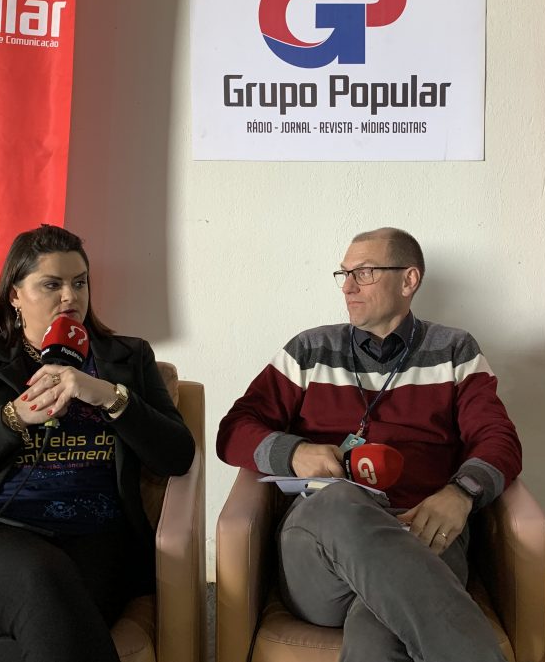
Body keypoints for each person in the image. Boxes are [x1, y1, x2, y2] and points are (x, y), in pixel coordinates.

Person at [217, 227, 522, 662]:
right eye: (343, 274)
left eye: (363, 273)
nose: (347, 287)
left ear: (409, 280)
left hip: (423, 533)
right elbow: (234, 430)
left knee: (378, 629)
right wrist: (295, 452)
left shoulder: (455, 350)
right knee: (340, 500)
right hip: (320, 547)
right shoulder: (310, 350)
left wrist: (461, 493)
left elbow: (499, 439)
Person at [0, 225, 195, 662]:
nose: (70, 297)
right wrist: (11, 419)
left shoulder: (128, 359)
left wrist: (109, 397)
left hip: (95, 544)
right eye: (51, 285)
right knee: (41, 576)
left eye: (80, 283)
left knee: (29, 634)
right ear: (15, 295)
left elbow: (177, 455)